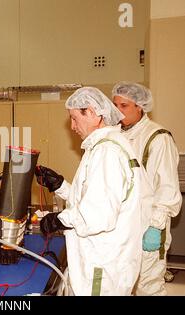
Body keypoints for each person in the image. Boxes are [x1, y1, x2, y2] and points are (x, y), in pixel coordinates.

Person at [35, 87, 143, 296]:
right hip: (107, 260)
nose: (73, 126)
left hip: (102, 265)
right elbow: (93, 198)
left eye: (75, 119)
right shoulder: (109, 145)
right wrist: (60, 185)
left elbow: (98, 216)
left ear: (92, 113)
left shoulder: (107, 152)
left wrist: (59, 219)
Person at [112, 82, 182, 296]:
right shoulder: (113, 135)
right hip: (121, 229)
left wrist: (155, 227)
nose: (117, 111)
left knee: (148, 288)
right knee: (122, 286)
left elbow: (167, 188)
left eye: (124, 106)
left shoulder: (158, 137)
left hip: (147, 227)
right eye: (115, 105)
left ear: (140, 106)